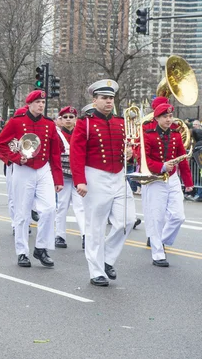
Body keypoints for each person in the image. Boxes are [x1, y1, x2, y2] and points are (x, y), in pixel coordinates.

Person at [70, 79, 136, 287]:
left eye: (111, 98)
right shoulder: (85, 123)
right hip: (95, 175)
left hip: (118, 175)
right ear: (94, 100)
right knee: (95, 226)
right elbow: (76, 154)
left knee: (127, 220)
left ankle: (106, 258)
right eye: (104, 98)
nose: (109, 102)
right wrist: (80, 181)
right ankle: (96, 271)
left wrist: (129, 154)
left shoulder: (119, 122)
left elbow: (127, 149)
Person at [0, 90, 63, 268]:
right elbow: (0, 144)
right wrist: (15, 158)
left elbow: (54, 153)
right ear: (30, 104)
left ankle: (41, 247)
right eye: (38, 102)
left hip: (43, 168)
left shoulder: (49, 124)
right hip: (23, 169)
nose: (41, 105)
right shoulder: (17, 122)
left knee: (49, 209)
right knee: (22, 213)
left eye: (43, 102)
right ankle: (22, 252)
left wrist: (58, 179)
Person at [141, 103, 193, 267]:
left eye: (170, 116)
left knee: (178, 216)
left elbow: (182, 161)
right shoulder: (147, 135)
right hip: (156, 179)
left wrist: (189, 182)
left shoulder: (177, 135)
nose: (169, 119)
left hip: (172, 179)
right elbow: (144, 159)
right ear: (156, 118)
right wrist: (161, 166)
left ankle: (160, 241)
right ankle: (158, 254)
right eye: (165, 116)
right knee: (157, 218)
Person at [54, 106, 85, 249]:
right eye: (65, 117)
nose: (68, 120)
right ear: (60, 119)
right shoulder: (57, 134)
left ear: (76, 119)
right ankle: (60, 235)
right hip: (64, 176)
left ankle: (85, 235)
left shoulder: (81, 133)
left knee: (80, 207)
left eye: (71, 117)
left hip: (78, 177)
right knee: (62, 206)